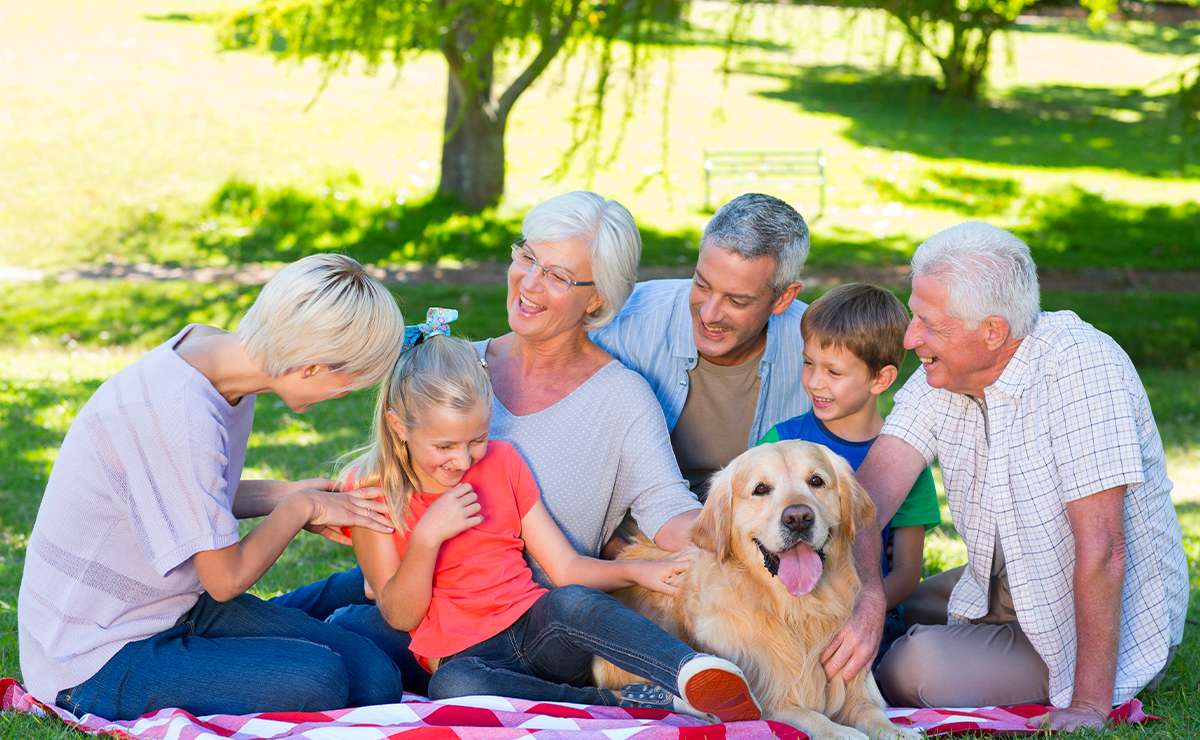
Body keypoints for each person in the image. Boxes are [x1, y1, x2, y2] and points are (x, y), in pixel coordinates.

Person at [827, 222, 1186, 731]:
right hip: (1001, 582)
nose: (910, 339)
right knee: (869, 604)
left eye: (929, 324)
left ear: (992, 331)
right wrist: (868, 599)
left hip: (1079, 621)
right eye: (915, 316)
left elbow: (1104, 549)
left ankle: (1055, 678)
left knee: (909, 667)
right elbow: (864, 500)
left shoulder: (1083, 367)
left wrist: (1087, 706)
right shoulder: (947, 370)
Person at [17, 254, 410, 720]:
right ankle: (308, 618)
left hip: (175, 608)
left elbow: (191, 497)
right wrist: (297, 509)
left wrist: (287, 492)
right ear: (310, 368)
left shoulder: (219, 364)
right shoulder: (178, 411)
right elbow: (223, 580)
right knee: (321, 679)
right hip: (96, 652)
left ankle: (306, 619)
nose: (345, 395)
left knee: (375, 679)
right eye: (347, 383)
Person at [339, 315, 762, 721]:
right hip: (465, 659)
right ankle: (616, 700)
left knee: (572, 601)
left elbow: (565, 567)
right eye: (445, 445)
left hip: (536, 630)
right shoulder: (372, 490)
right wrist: (427, 538)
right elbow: (399, 616)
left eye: (477, 440)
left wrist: (639, 571)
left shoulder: (503, 462)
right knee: (452, 687)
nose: (463, 459)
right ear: (399, 426)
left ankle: (692, 674)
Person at [476, 191, 702, 569]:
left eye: (558, 276)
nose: (530, 284)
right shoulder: (457, 365)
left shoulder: (621, 399)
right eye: (528, 257)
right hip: (431, 603)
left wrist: (755, 525)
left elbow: (669, 511)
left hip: (542, 616)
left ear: (597, 298)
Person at [756, 283, 940, 656]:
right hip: (780, 610)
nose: (814, 382)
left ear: (881, 379)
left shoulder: (906, 458)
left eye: (833, 372)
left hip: (867, 619)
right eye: (809, 364)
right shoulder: (781, 441)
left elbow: (906, 572)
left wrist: (857, 613)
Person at [592, 193, 810, 499]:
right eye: (702, 285)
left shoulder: (817, 347)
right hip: (633, 532)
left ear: (783, 298)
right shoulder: (621, 326)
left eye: (737, 300)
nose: (709, 314)